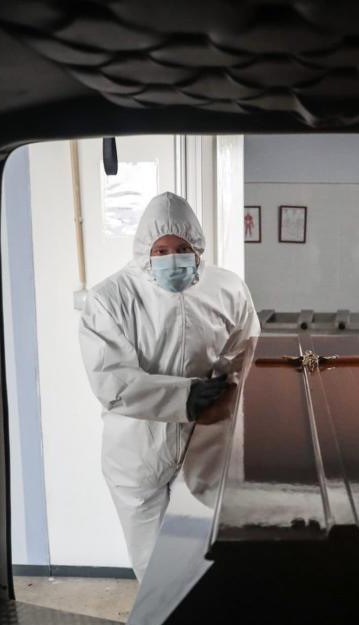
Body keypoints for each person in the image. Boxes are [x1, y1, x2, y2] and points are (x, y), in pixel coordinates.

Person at [79, 192, 258, 580]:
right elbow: (111, 379)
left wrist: (228, 385)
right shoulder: (111, 298)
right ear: (145, 250)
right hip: (138, 446)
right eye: (161, 250)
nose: (172, 258)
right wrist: (184, 396)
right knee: (150, 564)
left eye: (183, 248)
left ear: (198, 248)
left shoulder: (227, 288)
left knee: (200, 554)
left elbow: (246, 350)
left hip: (204, 438)